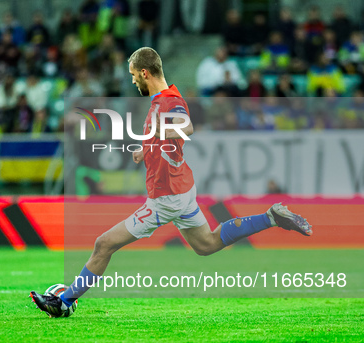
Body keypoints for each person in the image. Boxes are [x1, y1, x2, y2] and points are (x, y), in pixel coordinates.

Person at [30, 47, 313, 318]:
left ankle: (65, 301)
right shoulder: (164, 99)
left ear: (144, 73)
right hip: (182, 190)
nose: (132, 81)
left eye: (133, 75)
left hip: (165, 199)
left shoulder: (169, 101)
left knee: (103, 244)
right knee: (206, 244)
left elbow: (186, 126)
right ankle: (270, 217)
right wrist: (148, 146)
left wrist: (160, 131)